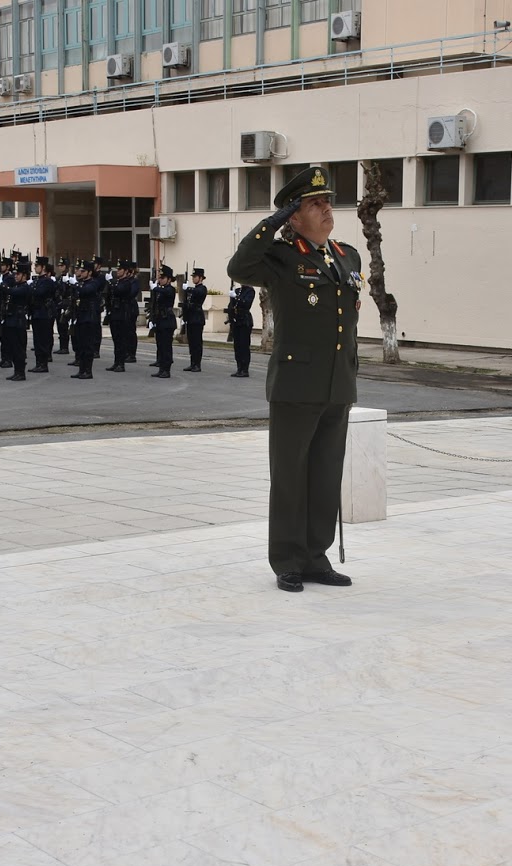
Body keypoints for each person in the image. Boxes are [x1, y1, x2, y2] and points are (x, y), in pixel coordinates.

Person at [227, 165, 362, 593]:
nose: (327, 209)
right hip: (295, 385)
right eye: (314, 204)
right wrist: (273, 223)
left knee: (325, 476)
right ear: (294, 216)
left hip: (337, 383)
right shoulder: (280, 258)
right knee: (290, 477)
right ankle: (286, 559)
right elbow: (238, 265)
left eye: (327, 202)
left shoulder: (347, 255)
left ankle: (315, 557)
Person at [106, 259, 141, 371]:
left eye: (120, 269)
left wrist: (111, 282)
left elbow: (122, 291)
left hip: (124, 312)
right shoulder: (118, 282)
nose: (118, 271)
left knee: (123, 337)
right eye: (117, 269)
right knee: (116, 339)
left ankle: (122, 361)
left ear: (126, 271)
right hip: (115, 312)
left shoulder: (127, 282)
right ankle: (117, 362)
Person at [149, 265, 178, 379]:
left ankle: (166, 370)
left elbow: (168, 293)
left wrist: (155, 288)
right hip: (160, 320)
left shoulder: (170, 289)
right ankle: (161, 368)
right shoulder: (160, 290)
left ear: (169, 279)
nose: (160, 280)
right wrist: (152, 320)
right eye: (160, 278)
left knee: (166, 346)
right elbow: (155, 305)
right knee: (160, 345)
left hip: (167, 321)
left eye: (163, 278)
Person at [227, 280, 256, 377]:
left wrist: (235, 297)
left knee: (244, 345)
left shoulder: (250, 291)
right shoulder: (238, 290)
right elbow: (231, 306)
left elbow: (246, 303)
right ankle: (239, 368)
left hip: (244, 321)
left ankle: (245, 369)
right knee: (237, 346)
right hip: (236, 321)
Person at [182, 267, 208, 372]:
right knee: (191, 343)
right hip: (191, 318)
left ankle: (197, 364)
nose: (193, 279)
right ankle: (192, 363)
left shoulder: (202, 288)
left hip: (197, 318)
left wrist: (188, 289)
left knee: (197, 343)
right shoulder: (193, 289)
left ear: (201, 278)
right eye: (193, 277)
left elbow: (199, 293)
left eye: (195, 277)